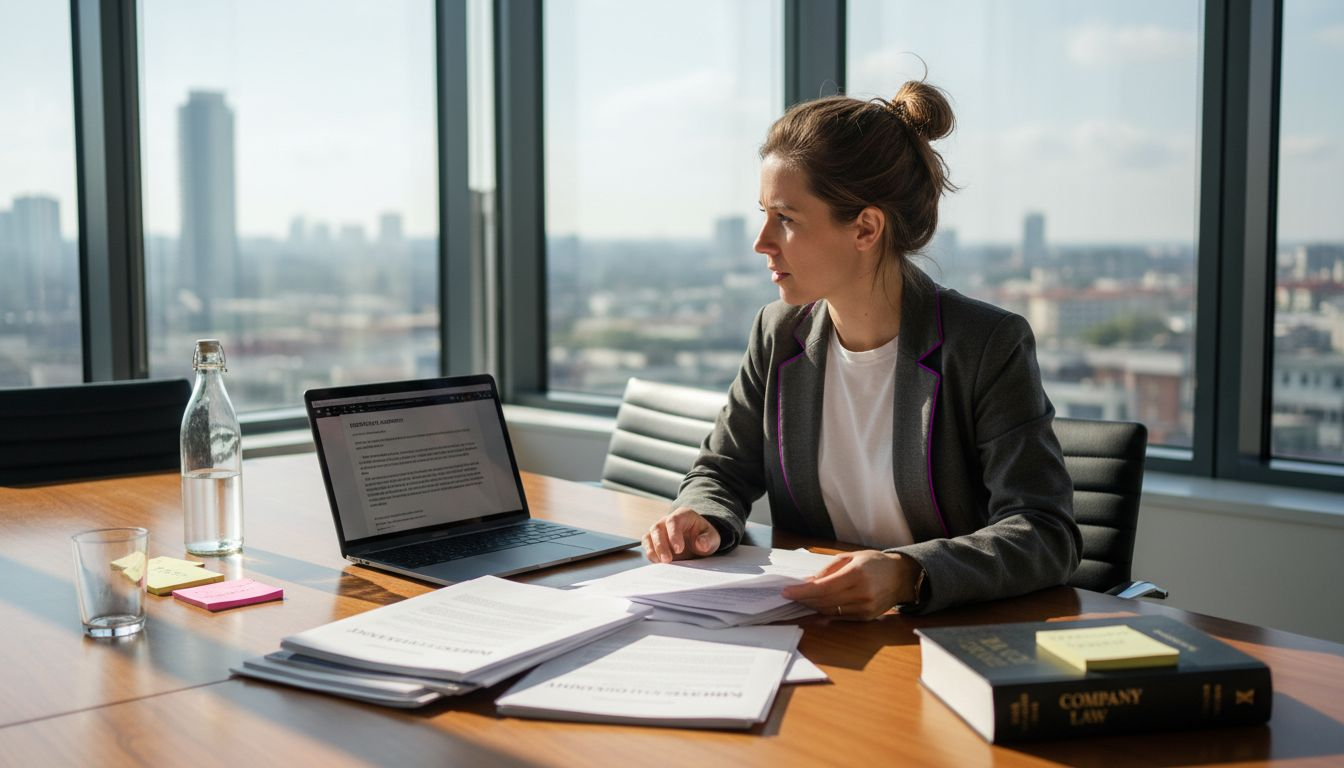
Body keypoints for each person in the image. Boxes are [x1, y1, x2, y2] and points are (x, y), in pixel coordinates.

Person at [641, 80, 1081, 617]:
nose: (761, 241)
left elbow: (1044, 531)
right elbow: (722, 470)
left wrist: (908, 572)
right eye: (763, 213)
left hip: (942, 636)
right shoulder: (777, 334)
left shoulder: (986, 345)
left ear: (866, 228)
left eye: (787, 218)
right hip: (816, 626)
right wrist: (701, 515)